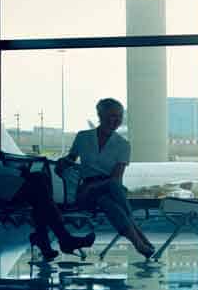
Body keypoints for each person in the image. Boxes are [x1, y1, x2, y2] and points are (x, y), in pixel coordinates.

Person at [0, 90, 93, 261]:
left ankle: (48, 238)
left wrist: (19, 174)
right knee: (38, 185)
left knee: (39, 183)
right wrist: (19, 173)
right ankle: (57, 238)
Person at [58, 98, 156, 259]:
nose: (115, 120)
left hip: (108, 189)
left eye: (119, 116)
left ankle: (138, 244)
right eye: (111, 116)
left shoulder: (123, 145)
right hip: (86, 193)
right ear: (100, 115)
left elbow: (116, 178)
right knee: (112, 191)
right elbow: (71, 159)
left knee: (107, 199)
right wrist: (64, 164)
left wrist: (93, 186)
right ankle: (139, 235)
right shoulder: (83, 137)